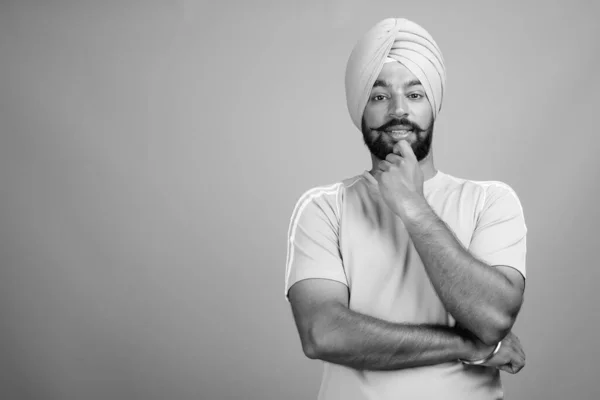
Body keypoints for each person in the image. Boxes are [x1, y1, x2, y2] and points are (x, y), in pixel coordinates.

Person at [284, 17, 527, 400]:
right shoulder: (323, 209)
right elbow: (323, 334)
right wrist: (464, 345)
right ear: (360, 109)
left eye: (415, 95)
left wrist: (412, 206)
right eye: (380, 96)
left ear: (434, 104)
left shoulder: (490, 202)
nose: (399, 111)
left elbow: (493, 318)